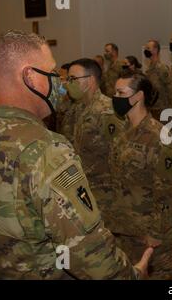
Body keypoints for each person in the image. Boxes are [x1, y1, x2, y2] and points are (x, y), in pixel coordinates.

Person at [0, 30, 153, 279]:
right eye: (53, 73)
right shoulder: (45, 150)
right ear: (31, 77)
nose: (60, 82)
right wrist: (134, 274)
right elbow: (88, 253)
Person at [109, 71, 172, 279]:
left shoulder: (159, 136)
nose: (115, 97)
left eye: (121, 92)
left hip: (150, 230)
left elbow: (165, 191)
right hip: (125, 225)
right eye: (115, 91)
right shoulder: (121, 131)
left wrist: (155, 233)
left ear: (138, 96)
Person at [69, 58, 118, 227]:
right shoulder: (79, 108)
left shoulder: (106, 110)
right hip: (86, 190)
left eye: (73, 79)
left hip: (105, 195)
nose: (69, 84)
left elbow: (118, 155)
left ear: (89, 80)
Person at [144, 39, 171, 120]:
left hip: (162, 110)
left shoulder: (162, 68)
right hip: (153, 109)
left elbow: (170, 89)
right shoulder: (149, 69)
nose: (146, 50)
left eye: (148, 48)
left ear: (155, 50)